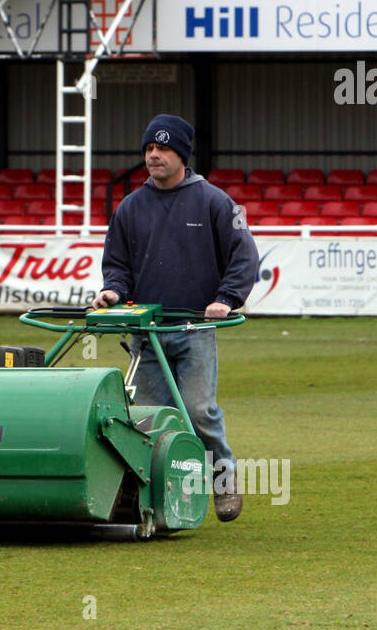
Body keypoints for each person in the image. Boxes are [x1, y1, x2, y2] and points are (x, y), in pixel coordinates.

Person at [91, 114, 259, 521]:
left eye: (163, 149)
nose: (154, 156)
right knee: (146, 420)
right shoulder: (130, 208)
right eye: (149, 148)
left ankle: (224, 483)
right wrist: (113, 291)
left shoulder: (215, 202)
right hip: (147, 334)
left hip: (195, 328)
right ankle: (143, 499)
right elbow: (117, 265)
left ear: (182, 155)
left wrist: (226, 299)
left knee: (199, 411)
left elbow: (245, 257)